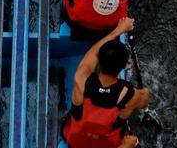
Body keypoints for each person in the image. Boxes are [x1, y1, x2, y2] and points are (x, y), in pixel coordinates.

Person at [61, 17, 151, 148]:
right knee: (131, 140)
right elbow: (144, 104)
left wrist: (120, 29)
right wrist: (127, 146)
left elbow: (93, 53)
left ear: (99, 62)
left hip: (74, 141)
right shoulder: (132, 95)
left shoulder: (81, 79)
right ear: (125, 65)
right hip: (108, 145)